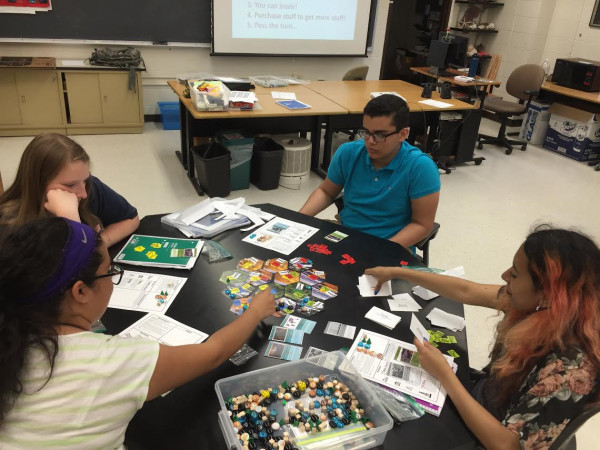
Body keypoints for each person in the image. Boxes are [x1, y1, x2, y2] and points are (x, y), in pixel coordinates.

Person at [0, 217, 280, 448]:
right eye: (109, 270)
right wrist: (255, 311)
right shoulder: (112, 363)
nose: (113, 277)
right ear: (81, 292)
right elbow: (213, 353)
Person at [366, 226, 600, 450]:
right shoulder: (542, 306)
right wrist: (397, 272)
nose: (505, 276)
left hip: (486, 433)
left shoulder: (570, 371)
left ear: (549, 295)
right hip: (487, 396)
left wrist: (445, 376)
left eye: (515, 274)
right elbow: (467, 291)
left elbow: (508, 445)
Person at [299, 94, 440, 250]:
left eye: (380, 135)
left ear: (403, 134)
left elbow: (422, 225)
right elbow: (326, 192)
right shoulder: (348, 152)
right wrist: (296, 219)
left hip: (390, 244)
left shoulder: (420, 167)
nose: (370, 141)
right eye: (366, 132)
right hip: (344, 232)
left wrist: (379, 250)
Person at [0, 133, 139, 247]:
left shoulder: (89, 188)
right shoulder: (10, 228)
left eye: (84, 180)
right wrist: (72, 223)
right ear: (37, 183)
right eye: (70, 185)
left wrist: (98, 244)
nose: (83, 194)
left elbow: (130, 218)